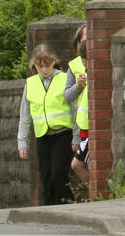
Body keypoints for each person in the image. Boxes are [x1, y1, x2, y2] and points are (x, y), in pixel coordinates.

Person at [17, 45, 74, 205]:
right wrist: (22, 142)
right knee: (46, 177)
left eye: (47, 65)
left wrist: (76, 136)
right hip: (42, 135)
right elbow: (25, 116)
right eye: (39, 66)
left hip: (63, 133)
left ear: (53, 62)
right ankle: (49, 210)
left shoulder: (64, 78)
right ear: (34, 65)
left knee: (58, 174)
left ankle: (68, 205)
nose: (44, 69)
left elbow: (74, 107)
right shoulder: (31, 83)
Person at [65, 25, 89, 201]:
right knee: (80, 164)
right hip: (81, 124)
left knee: (80, 164)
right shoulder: (74, 66)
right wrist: (78, 86)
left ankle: (100, 194)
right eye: (85, 37)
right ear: (79, 41)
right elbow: (67, 96)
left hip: (91, 123)